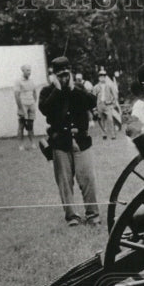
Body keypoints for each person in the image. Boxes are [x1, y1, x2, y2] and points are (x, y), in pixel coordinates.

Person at [39, 56, 101, 226]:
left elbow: (92, 102)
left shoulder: (79, 89)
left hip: (81, 140)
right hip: (60, 143)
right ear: (54, 76)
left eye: (66, 74)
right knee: (64, 182)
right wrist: (57, 90)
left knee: (87, 178)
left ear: (71, 73)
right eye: (60, 75)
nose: (64, 78)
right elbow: (44, 109)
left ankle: (93, 214)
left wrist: (74, 89)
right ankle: (71, 216)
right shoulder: (47, 92)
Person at [13, 64, 39, 150]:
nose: (29, 72)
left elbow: (34, 92)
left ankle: (32, 143)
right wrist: (20, 108)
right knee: (22, 125)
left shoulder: (31, 81)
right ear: (23, 71)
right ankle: (21, 145)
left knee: (31, 124)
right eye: (27, 70)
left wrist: (33, 101)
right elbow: (16, 95)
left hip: (31, 104)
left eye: (30, 70)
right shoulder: (18, 81)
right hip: (23, 105)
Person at [93, 67, 121, 139]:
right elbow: (93, 98)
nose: (102, 78)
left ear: (105, 77)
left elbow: (115, 96)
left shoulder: (110, 85)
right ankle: (104, 134)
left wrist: (112, 103)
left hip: (108, 105)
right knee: (102, 120)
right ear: (99, 77)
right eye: (100, 76)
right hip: (99, 105)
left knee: (110, 120)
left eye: (103, 76)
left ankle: (113, 134)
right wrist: (94, 108)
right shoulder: (96, 87)